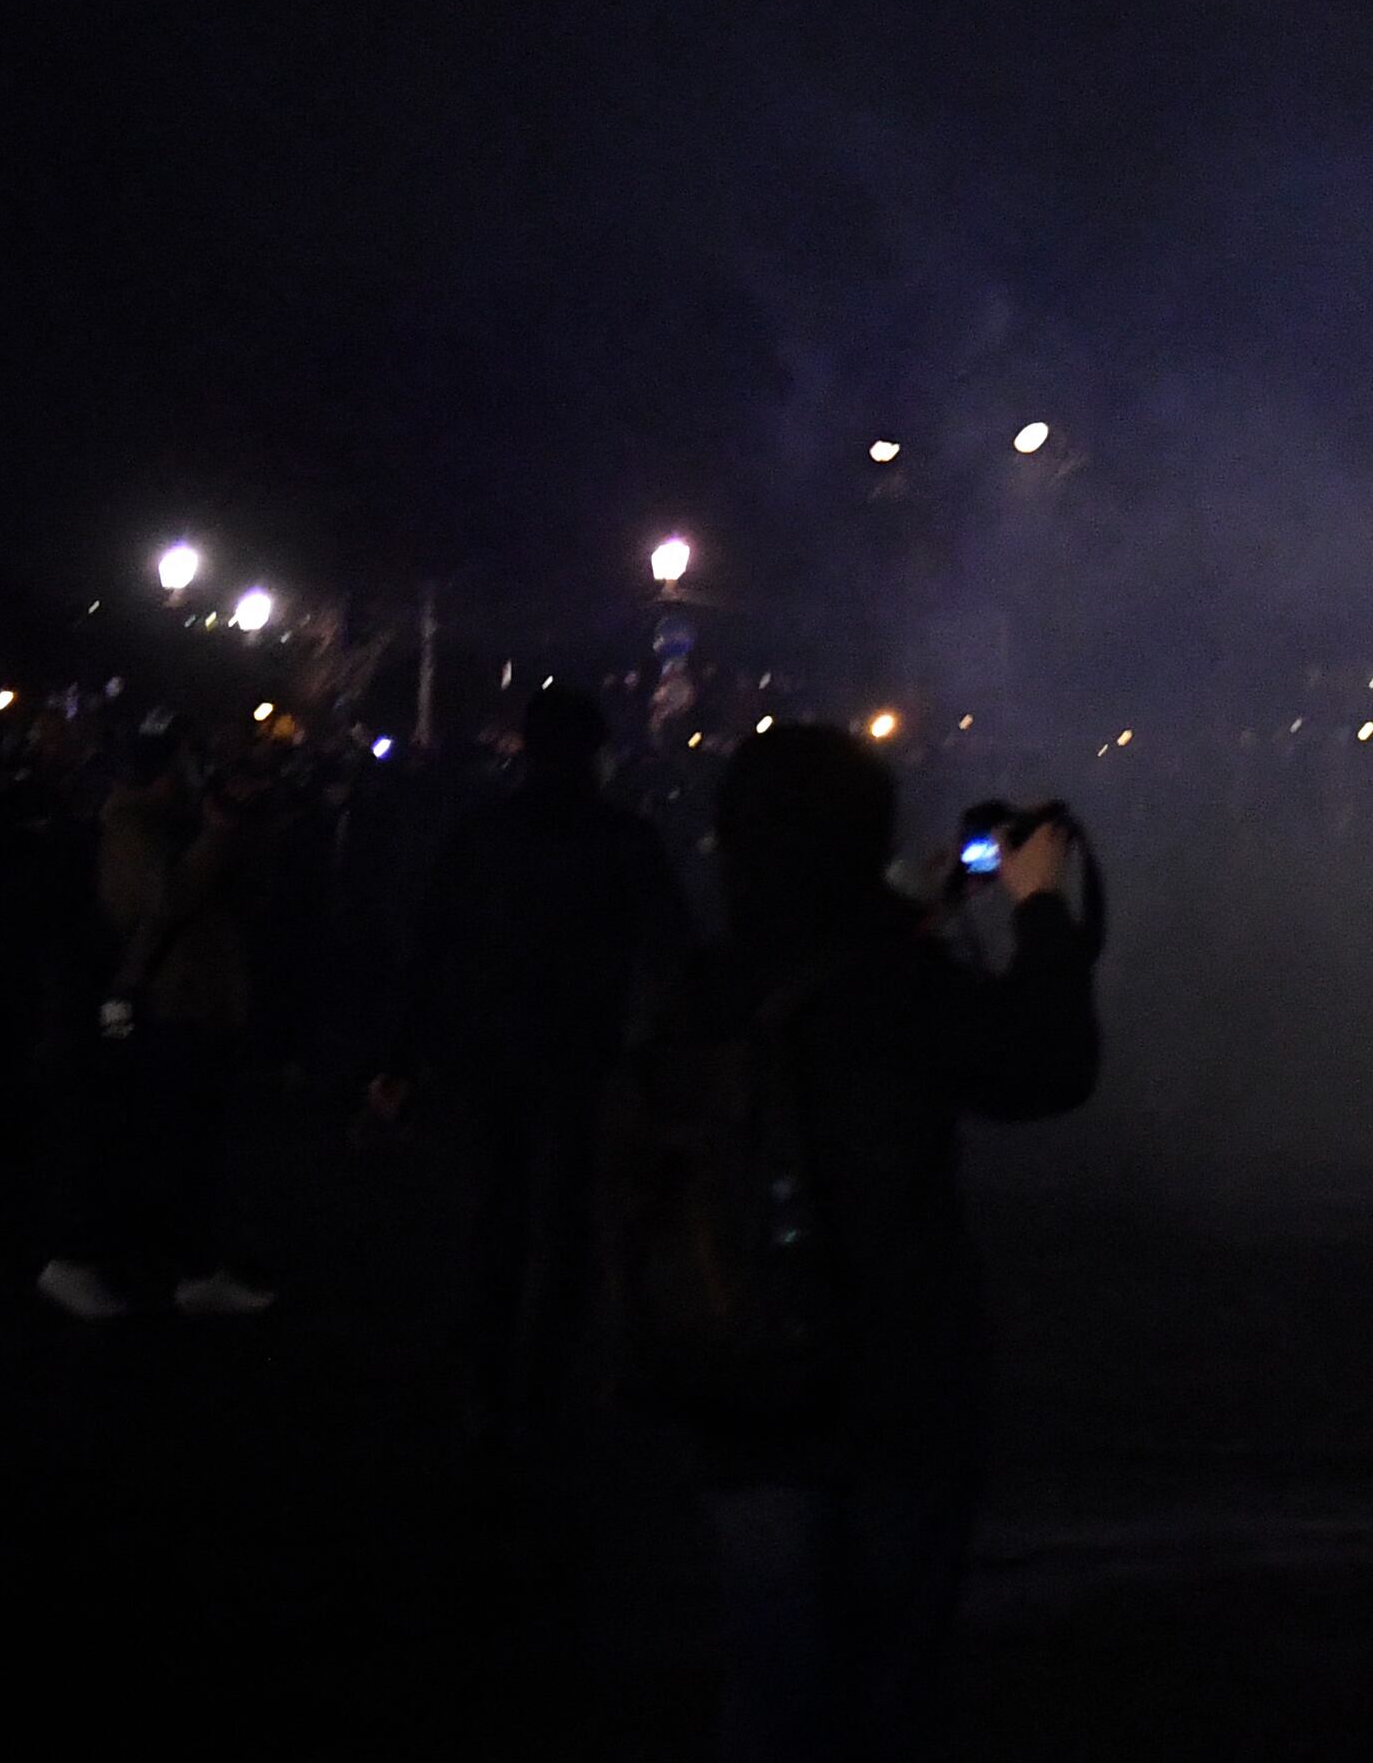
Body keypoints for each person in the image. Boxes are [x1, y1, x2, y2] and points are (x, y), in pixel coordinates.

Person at [683, 723, 1097, 1763]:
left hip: (740, 1363)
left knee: (769, 1674)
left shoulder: (709, 977)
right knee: (886, 1678)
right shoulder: (895, 981)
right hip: (896, 1372)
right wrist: (1040, 904)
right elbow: (1042, 1067)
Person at [370, 683, 688, 1429]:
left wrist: (401, 1054)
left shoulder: (480, 834)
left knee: (496, 1210)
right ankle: (549, 1376)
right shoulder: (624, 838)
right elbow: (670, 948)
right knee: (572, 1213)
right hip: (582, 1048)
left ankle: (485, 1368)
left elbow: (429, 944)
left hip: (486, 1045)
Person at [39, 710, 278, 1322]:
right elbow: (167, 899)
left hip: (177, 1005)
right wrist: (218, 833)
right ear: (161, 774)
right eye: (183, 768)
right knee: (146, 1139)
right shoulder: (129, 828)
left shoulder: (158, 823)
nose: (194, 779)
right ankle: (90, 1259)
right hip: (153, 1007)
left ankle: (173, 1264)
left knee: (171, 1142)